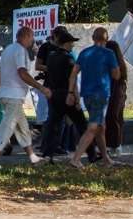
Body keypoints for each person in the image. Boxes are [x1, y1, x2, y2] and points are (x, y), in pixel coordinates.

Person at [0, 26, 52, 168]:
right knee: (7, 126)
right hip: (14, 95)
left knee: (22, 127)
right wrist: (41, 88)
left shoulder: (7, 50)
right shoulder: (20, 51)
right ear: (25, 36)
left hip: (7, 95)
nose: (32, 41)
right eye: (31, 37)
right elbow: (23, 73)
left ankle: (33, 157)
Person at [66, 27, 120, 169]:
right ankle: (76, 159)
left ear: (92, 37)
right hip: (101, 94)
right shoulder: (109, 54)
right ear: (106, 40)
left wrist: (70, 92)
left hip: (87, 95)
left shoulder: (84, 53)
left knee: (101, 127)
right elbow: (116, 75)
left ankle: (106, 159)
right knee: (94, 126)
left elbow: (74, 73)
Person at [38, 32, 92, 163]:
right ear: (66, 43)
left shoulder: (51, 57)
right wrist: (77, 98)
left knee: (52, 124)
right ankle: (92, 153)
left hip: (54, 94)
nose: (73, 45)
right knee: (82, 125)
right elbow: (71, 79)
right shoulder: (68, 58)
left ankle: (47, 153)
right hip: (67, 95)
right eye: (71, 43)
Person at [32, 26, 68, 133]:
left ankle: (58, 144)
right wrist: (53, 68)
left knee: (61, 117)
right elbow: (38, 65)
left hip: (63, 84)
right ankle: (48, 144)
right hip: (50, 84)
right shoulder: (45, 47)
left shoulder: (63, 47)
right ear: (55, 36)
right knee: (51, 115)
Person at [105, 40, 128, 157]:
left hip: (116, 92)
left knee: (114, 117)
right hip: (117, 92)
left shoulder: (115, 63)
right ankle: (114, 144)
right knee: (115, 117)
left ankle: (115, 145)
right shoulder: (119, 62)